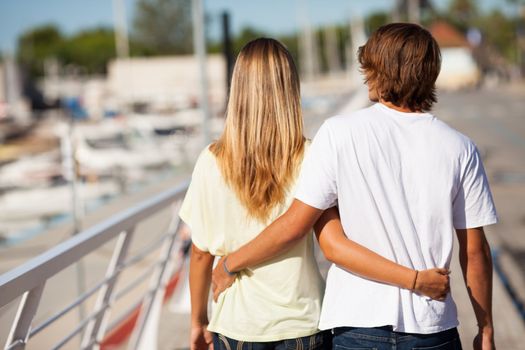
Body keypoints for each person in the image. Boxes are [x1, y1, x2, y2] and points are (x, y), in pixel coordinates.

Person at [212, 24, 498, 350]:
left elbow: (298, 225)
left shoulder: (338, 134)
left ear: (375, 70)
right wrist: (485, 327)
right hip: (432, 327)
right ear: (431, 74)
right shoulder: (460, 148)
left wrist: (227, 265)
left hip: (358, 326)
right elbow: (475, 252)